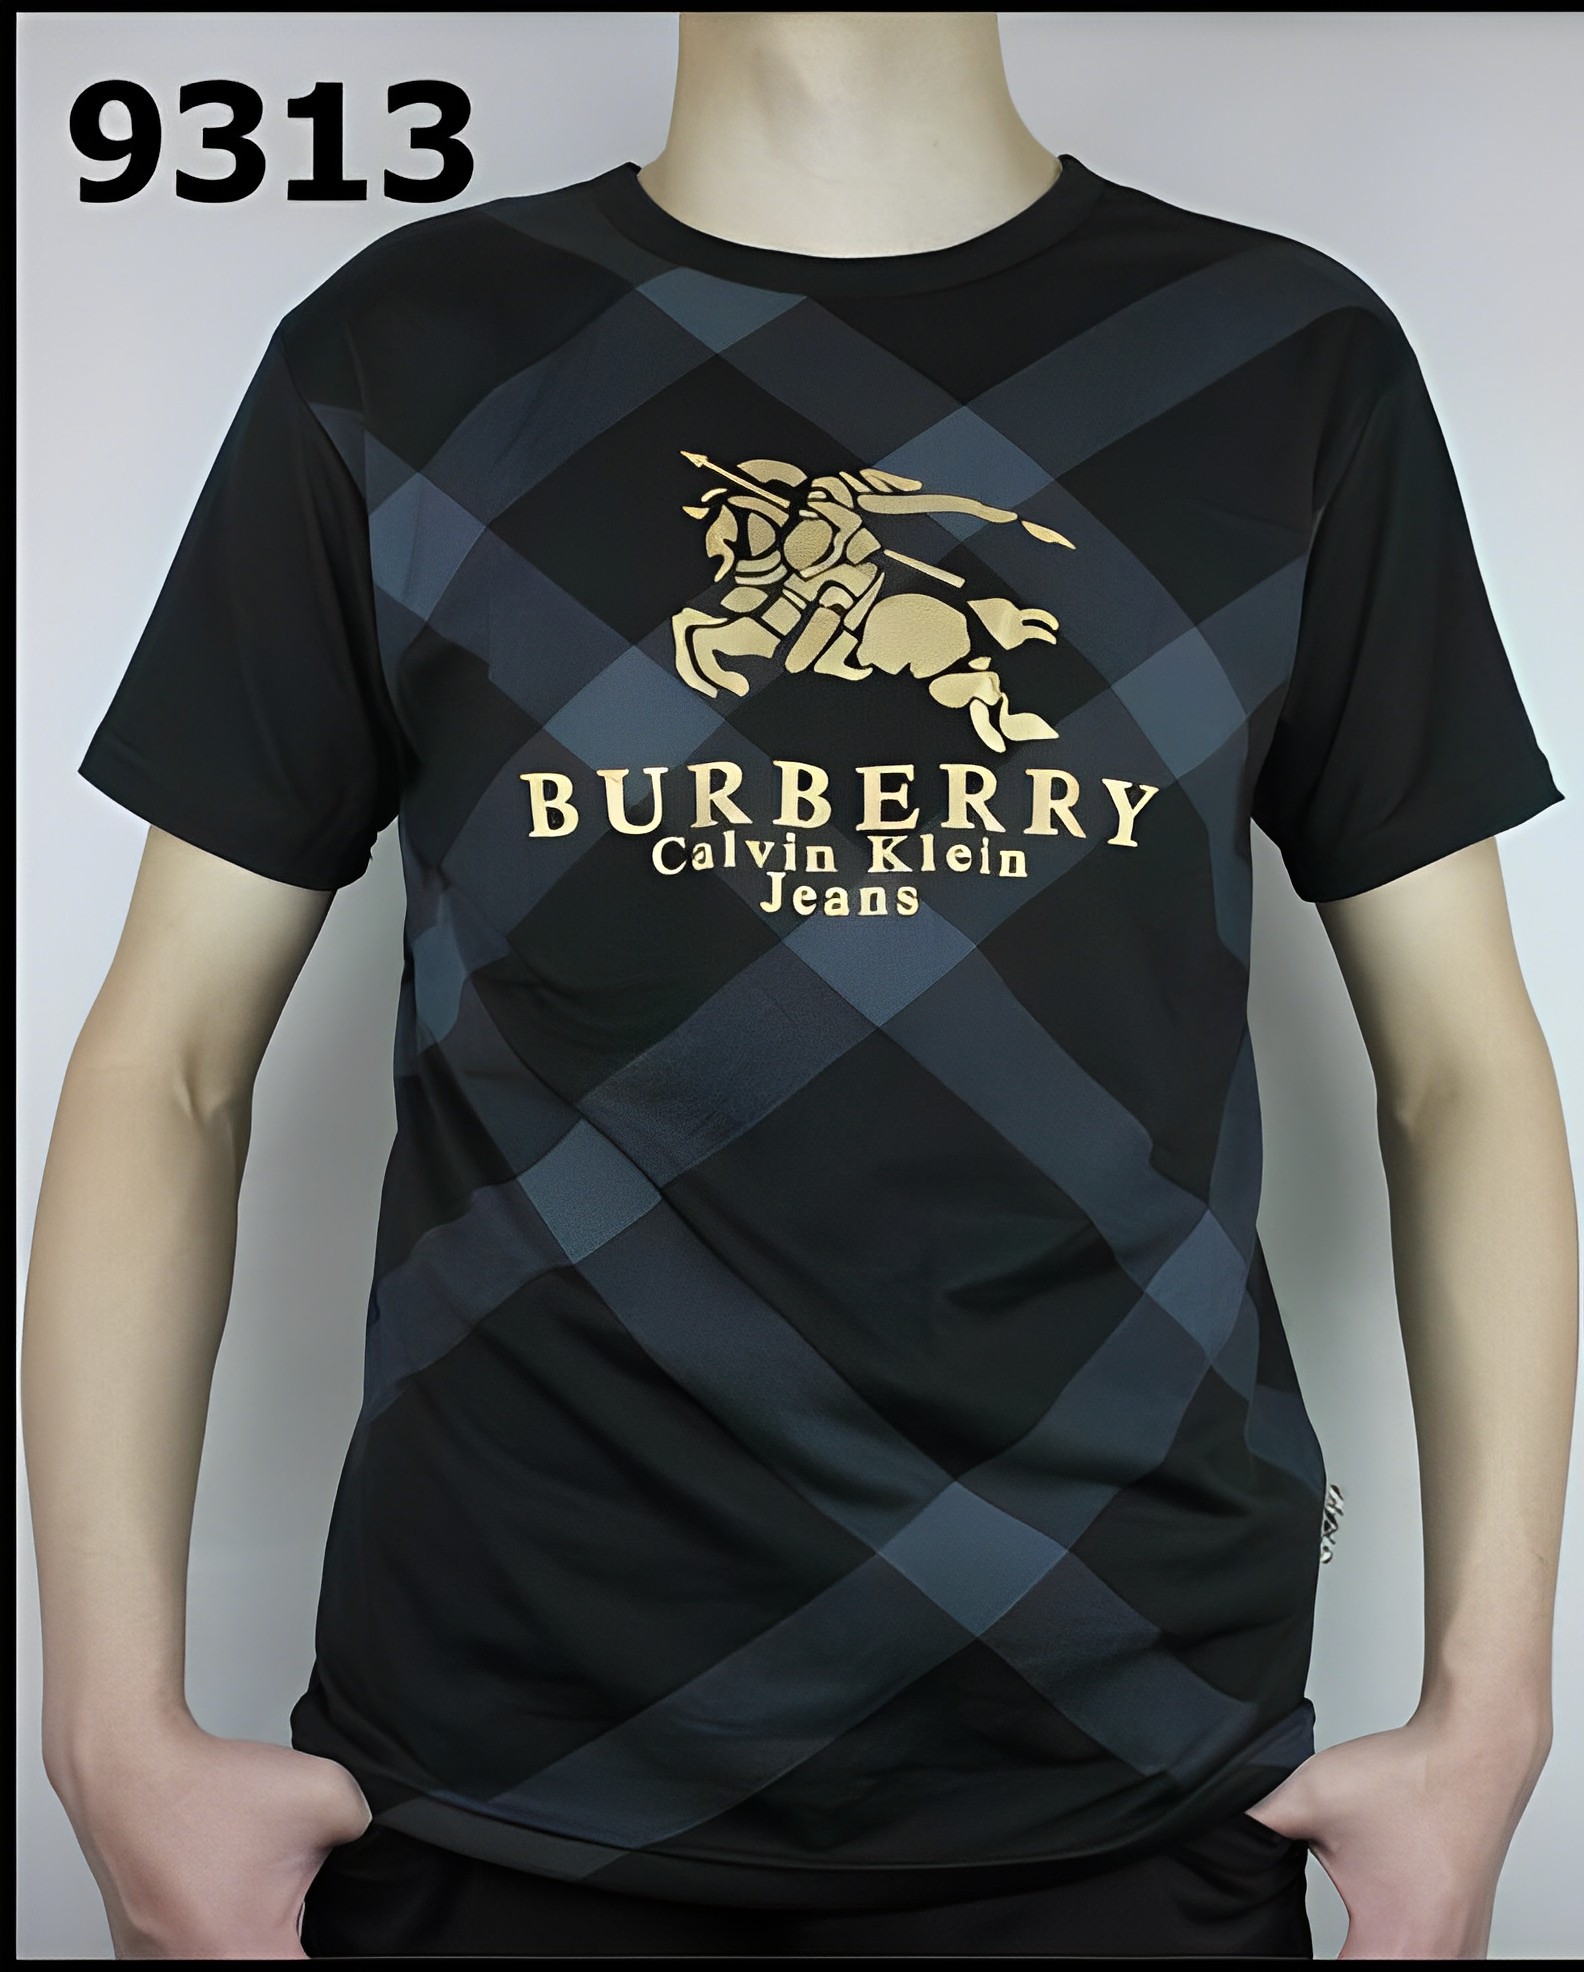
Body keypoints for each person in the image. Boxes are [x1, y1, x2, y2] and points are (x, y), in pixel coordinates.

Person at [22, 12, 1576, 1961]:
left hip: (1133, 1764)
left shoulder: (1288, 366)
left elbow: (1462, 1071)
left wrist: (1492, 1713)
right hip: (497, 1768)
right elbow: (167, 1064)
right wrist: (107, 1726)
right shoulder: (399, 357)